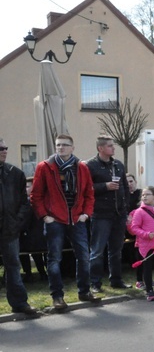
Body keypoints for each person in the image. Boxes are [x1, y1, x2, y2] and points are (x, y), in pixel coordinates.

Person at [30, 134, 100, 309]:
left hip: (77, 219)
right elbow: (36, 195)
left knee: (84, 257)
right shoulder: (45, 167)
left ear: (72, 148)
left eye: (64, 145)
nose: (60, 148)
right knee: (54, 259)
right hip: (55, 220)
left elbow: (89, 194)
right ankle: (57, 297)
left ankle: (84, 292)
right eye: (58, 145)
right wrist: (45, 216)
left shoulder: (81, 167)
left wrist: (86, 214)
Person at [86, 135, 131, 292]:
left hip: (118, 214)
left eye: (113, 145)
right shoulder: (90, 166)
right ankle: (95, 283)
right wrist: (104, 186)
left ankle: (116, 280)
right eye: (110, 146)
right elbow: (86, 189)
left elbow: (124, 187)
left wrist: (126, 210)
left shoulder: (118, 164)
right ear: (101, 148)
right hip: (101, 214)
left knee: (116, 250)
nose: (113, 148)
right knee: (97, 250)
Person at [0, 140, 39, 316]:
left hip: (10, 227)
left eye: (5, 147)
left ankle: (19, 303)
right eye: (0, 148)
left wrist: (17, 221)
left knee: (13, 265)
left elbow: (24, 201)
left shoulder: (15, 173)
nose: (4, 151)